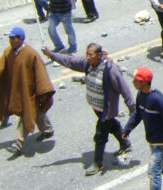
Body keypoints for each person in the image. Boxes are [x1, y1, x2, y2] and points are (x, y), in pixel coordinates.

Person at [44, 43, 135, 175]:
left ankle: (98, 163)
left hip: (107, 109)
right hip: (97, 108)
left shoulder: (110, 69)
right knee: (112, 125)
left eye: (90, 55)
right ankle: (125, 143)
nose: (87, 57)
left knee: (100, 135)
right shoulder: (87, 64)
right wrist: (52, 55)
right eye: (86, 54)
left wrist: (131, 107)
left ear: (99, 55)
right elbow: (69, 61)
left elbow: (124, 88)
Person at [0, 27, 55, 156]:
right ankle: (48, 129)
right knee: (36, 113)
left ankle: (18, 144)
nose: (10, 41)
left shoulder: (31, 54)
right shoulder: (9, 52)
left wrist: (44, 91)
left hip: (30, 92)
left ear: (21, 39)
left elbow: (41, 73)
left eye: (13, 38)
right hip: (18, 90)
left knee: (26, 114)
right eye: (10, 38)